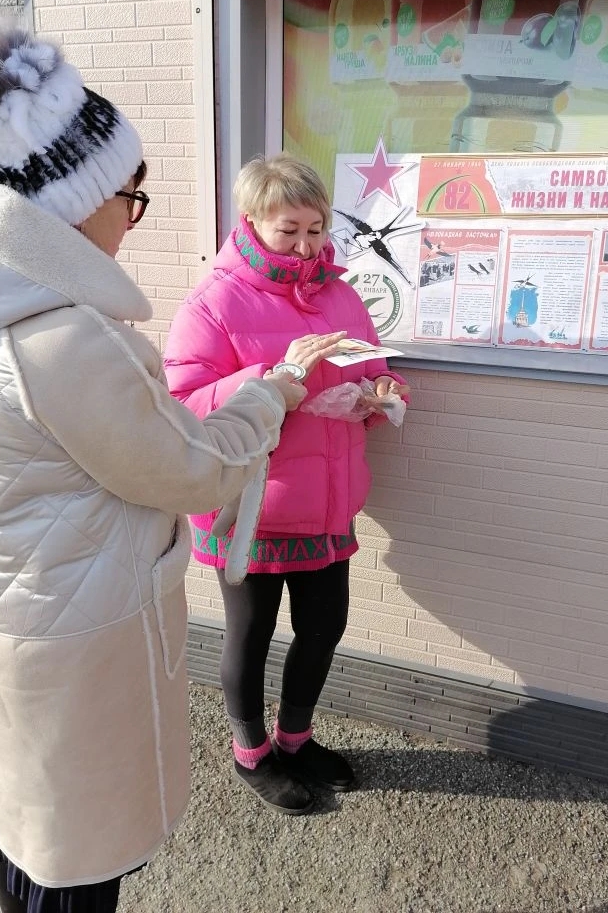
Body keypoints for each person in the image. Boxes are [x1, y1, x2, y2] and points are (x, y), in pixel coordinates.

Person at [0, 20, 306, 913]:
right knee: (73, 869)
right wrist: (271, 394)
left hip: (11, 620)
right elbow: (190, 470)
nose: (133, 215)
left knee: (29, 837)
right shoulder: (63, 342)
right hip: (81, 648)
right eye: (132, 194)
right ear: (75, 202)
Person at [164, 153, 409, 816]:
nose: (306, 246)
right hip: (252, 509)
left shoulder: (341, 294)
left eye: (316, 229)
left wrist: (383, 391)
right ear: (252, 222)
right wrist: (272, 380)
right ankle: (251, 754)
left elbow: (373, 364)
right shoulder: (215, 302)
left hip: (329, 504)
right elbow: (182, 408)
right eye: (289, 230)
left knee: (324, 627)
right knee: (251, 636)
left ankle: (295, 740)